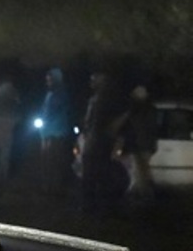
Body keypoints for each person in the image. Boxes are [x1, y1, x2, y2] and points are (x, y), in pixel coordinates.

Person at [80, 71, 127, 214]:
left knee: (93, 173)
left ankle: (93, 205)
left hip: (97, 141)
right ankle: (96, 204)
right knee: (95, 173)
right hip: (96, 140)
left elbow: (98, 123)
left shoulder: (103, 100)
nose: (91, 82)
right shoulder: (99, 99)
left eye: (94, 79)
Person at [119, 85, 158, 206]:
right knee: (140, 171)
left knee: (139, 171)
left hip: (139, 145)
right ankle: (143, 195)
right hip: (143, 145)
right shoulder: (149, 110)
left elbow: (138, 128)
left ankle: (141, 196)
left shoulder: (138, 111)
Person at [37, 67, 71, 192]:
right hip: (46, 131)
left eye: (50, 80)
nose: (47, 82)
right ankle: (47, 185)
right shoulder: (49, 94)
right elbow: (44, 109)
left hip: (57, 132)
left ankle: (55, 186)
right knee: (45, 159)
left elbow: (57, 111)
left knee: (55, 160)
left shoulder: (62, 94)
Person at [0, 77, 21, 184]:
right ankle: (4, 177)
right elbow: (19, 115)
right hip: (10, 126)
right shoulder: (14, 96)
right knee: (5, 154)